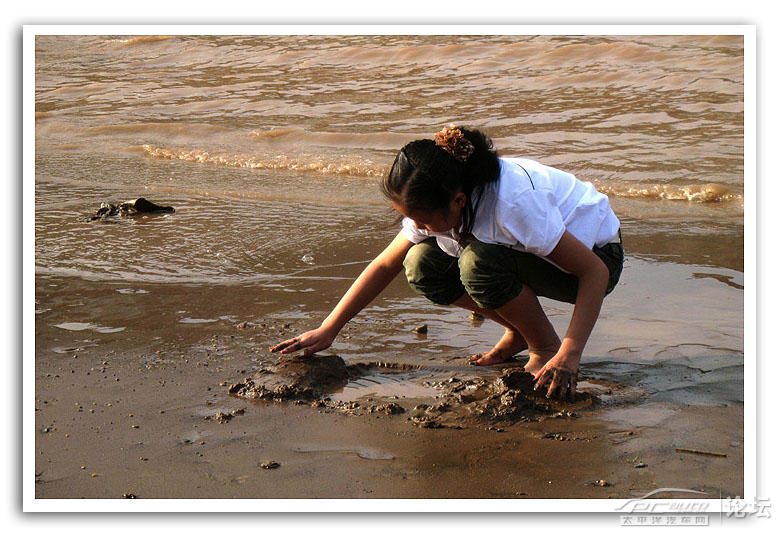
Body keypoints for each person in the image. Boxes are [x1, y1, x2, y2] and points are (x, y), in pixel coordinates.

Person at [271, 125, 624, 400]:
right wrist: (329, 328)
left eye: (422, 221)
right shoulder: (441, 196)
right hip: (525, 255)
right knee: (421, 264)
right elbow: (384, 266)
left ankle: (543, 346)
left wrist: (569, 353)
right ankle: (520, 331)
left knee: (477, 263)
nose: (417, 227)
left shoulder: (513, 205)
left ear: (458, 201)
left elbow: (595, 272)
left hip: (595, 257)